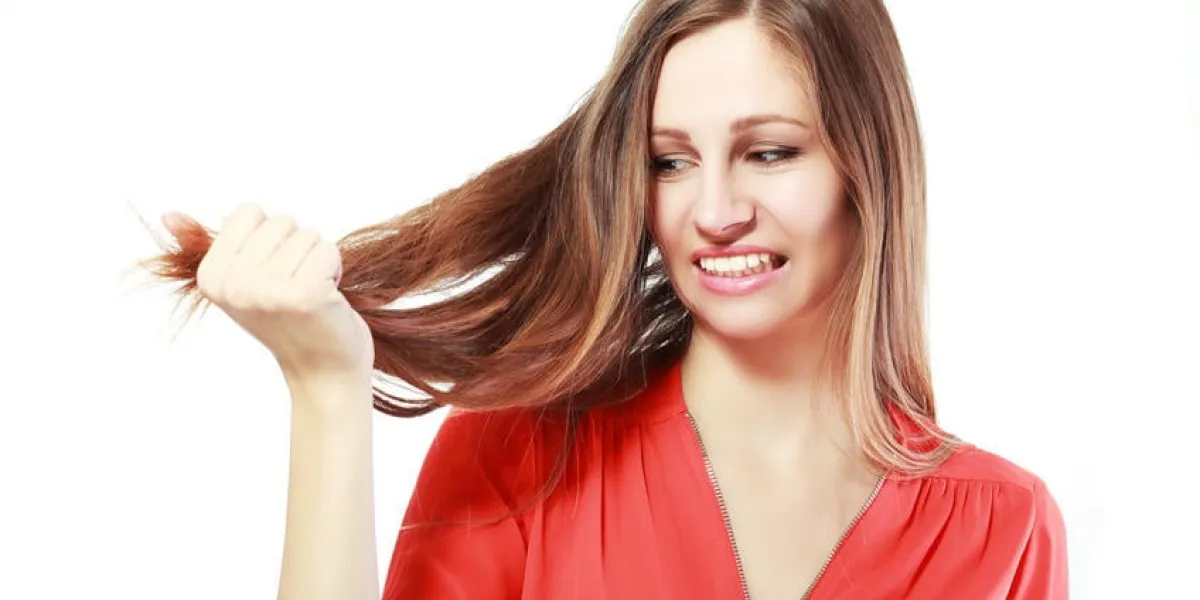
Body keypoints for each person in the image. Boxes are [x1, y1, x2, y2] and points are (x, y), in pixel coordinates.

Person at [148, 0, 1068, 598]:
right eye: (672, 161)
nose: (715, 211)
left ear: (868, 169)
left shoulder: (1003, 526)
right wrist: (326, 390)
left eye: (770, 151)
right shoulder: (521, 459)